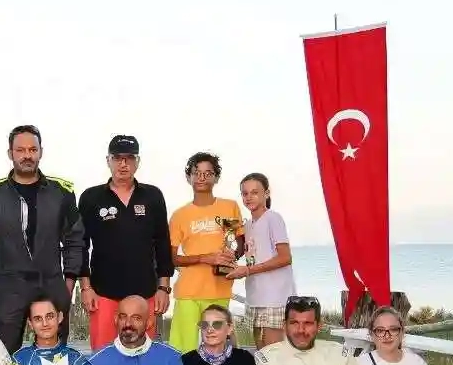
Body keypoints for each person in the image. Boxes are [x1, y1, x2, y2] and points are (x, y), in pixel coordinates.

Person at [0, 126, 86, 353]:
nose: (27, 155)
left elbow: (75, 239)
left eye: (32, 149)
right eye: (20, 150)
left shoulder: (62, 192)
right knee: (1, 355)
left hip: (51, 283)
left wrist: (68, 283)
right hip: (8, 286)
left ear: (41, 152)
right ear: (10, 153)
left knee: (55, 358)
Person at [76, 135, 173, 351]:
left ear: (137, 162)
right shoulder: (91, 197)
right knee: (103, 357)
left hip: (145, 293)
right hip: (103, 293)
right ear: (108, 160)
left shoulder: (153, 196)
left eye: (129, 158)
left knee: (142, 356)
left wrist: (163, 288)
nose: (123, 164)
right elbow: (81, 245)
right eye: (117, 158)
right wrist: (86, 288)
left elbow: (162, 243)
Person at [167, 152, 242, 352]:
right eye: (196, 173)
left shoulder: (229, 207)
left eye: (208, 173)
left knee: (218, 349)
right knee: (184, 352)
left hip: (220, 288)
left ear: (216, 178)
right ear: (189, 177)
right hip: (188, 292)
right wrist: (205, 258)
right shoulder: (179, 215)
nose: (202, 177)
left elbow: (238, 242)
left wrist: (231, 256)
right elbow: (172, 258)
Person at [230, 172, 295, 348]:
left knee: (273, 355)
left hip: (274, 299)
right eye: (245, 193)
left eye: (254, 192)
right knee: (261, 355)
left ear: (266, 193)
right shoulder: (247, 225)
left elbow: (285, 257)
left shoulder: (273, 218)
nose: (249, 197)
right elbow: (245, 253)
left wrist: (248, 270)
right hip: (255, 297)